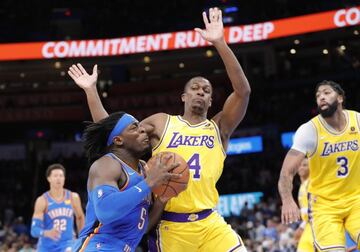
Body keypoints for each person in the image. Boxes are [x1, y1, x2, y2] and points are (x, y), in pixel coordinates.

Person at [68, 7, 250, 252]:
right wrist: (91, 91)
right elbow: (115, 133)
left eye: (206, 91)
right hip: (170, 225)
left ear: (211, 100)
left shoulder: (219, 128)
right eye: (195, 88)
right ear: (183, 96)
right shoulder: (162, 123)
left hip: (210, 222)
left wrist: (220, 43)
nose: (201, 92)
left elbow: (243, 92)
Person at [72, 112, 181, 251]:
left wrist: (161, 201)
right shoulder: (107, 164)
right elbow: (105, 211)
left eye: (141, 126)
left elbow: (143, 227)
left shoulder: (144, 169)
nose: (142, 129)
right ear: (118, 140)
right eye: (134, 128)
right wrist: (148, 183)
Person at [278, 80, 360, 251]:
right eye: (318, 95)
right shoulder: (309, 130)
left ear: (340, 98)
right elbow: (286, 171)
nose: (321, 97)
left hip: (356, 199)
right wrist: (287, 200)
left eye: (326, 93)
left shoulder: (357, 121)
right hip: (324, 205)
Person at [31, 163, 85, 252]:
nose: (59, 178)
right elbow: (34, 230)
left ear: (64, 178)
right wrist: (46, 233)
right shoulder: (42, 201)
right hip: (46, 246)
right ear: (49, 178)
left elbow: (80, 217)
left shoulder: (73, 197)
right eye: (55, 176)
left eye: (61, 176)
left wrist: (81, 238)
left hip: (67, 244)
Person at [293, 158, 313, 252]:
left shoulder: (311, 184)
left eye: (305, 165)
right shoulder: (302, 185)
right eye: (299, 165)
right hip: (309, 225)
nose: (301, 167)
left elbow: (314, 209)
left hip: (316, 225)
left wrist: (301, 227)